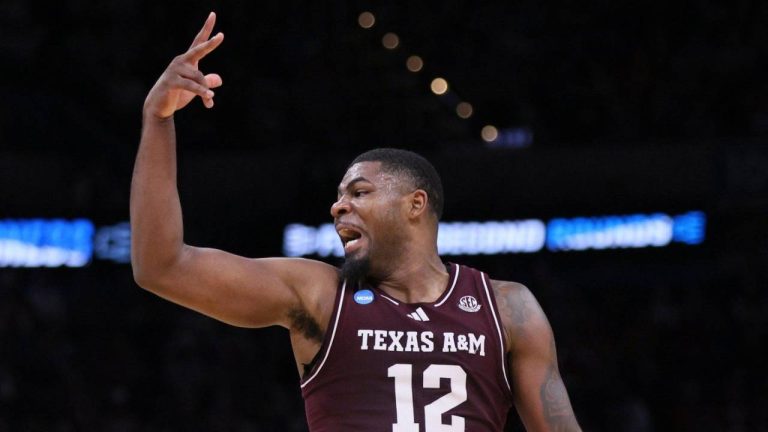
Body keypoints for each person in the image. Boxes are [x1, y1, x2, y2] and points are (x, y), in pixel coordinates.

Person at [131, 12, 582, 432]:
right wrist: (158, 118)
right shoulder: (320, 295)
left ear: (415, 204)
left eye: (359, 192)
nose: (337, 206)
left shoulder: (507, 309)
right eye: (339, 196)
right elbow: (162, 266)